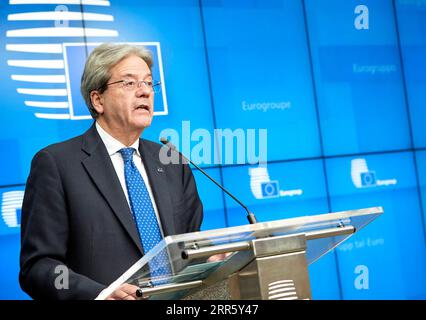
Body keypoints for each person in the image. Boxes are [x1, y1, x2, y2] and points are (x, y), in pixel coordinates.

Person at [19, 43, 203, 300]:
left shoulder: (172, 160)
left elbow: (190, 246)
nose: (144, 92)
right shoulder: (56, 165)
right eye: (129, 84)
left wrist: (212, 257)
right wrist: (99, 295)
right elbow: (38, 267)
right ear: (98, 100)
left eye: (149, 83)